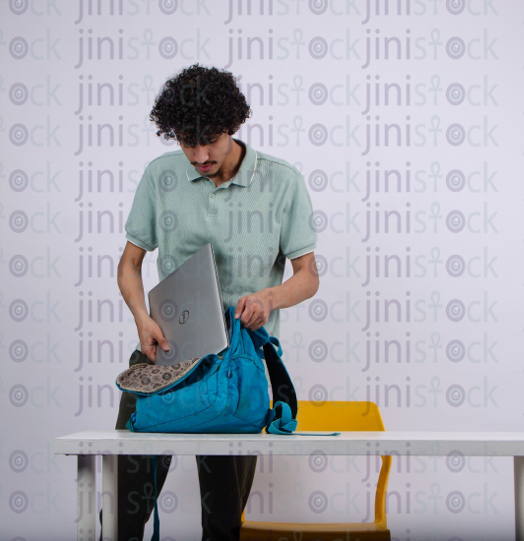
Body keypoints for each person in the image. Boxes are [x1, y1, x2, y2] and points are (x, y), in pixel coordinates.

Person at [98, 63, 320, 541]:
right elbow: (129, 264)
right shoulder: (160, 177)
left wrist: (269, 296)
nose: (198, 155)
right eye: (185, 142)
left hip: (238, 367)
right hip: (165, 354)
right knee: (121, 512)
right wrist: (141, 317)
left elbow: (308, 277)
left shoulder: (282, 182)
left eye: (211, 142)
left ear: (234, 127)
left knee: (222, 520)